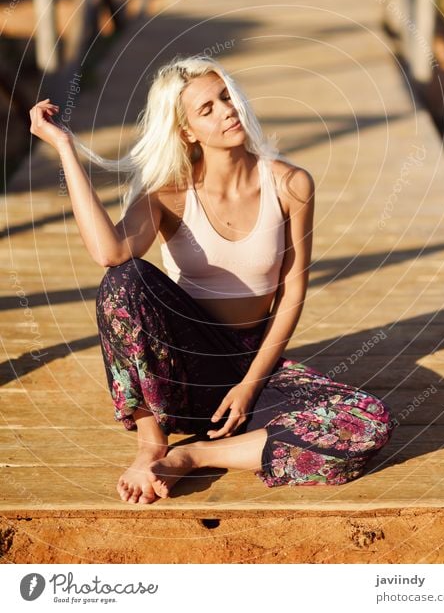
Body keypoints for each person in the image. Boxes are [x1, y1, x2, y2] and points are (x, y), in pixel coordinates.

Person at [29, 55, 395, 505]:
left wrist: (249, 385)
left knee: (366, 423)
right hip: (182, 366)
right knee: (123, 280)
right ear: (186, 131)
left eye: (227, 97)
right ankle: (152, 442)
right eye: (207, 109)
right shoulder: (168, 192)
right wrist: (65, 147)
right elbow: (109, 252)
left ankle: (198, 455)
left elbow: (292, 293)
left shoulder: (290, 184)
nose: (226, 111)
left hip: (252, 362)